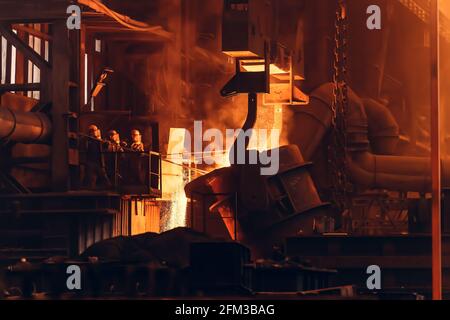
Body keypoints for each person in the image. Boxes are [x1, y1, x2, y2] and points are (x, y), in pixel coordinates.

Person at [83, 125, 111, 189]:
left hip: (99, 162)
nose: (94, 132)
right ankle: (91, 193)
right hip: (90, 162)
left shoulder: (99, 140)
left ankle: (109, 190)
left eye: (95, 130)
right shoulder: (87, 140)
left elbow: (106, 146)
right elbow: (84, 146)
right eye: (92, 131)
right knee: (91, 179)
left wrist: (100, 138)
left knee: (104, 178)